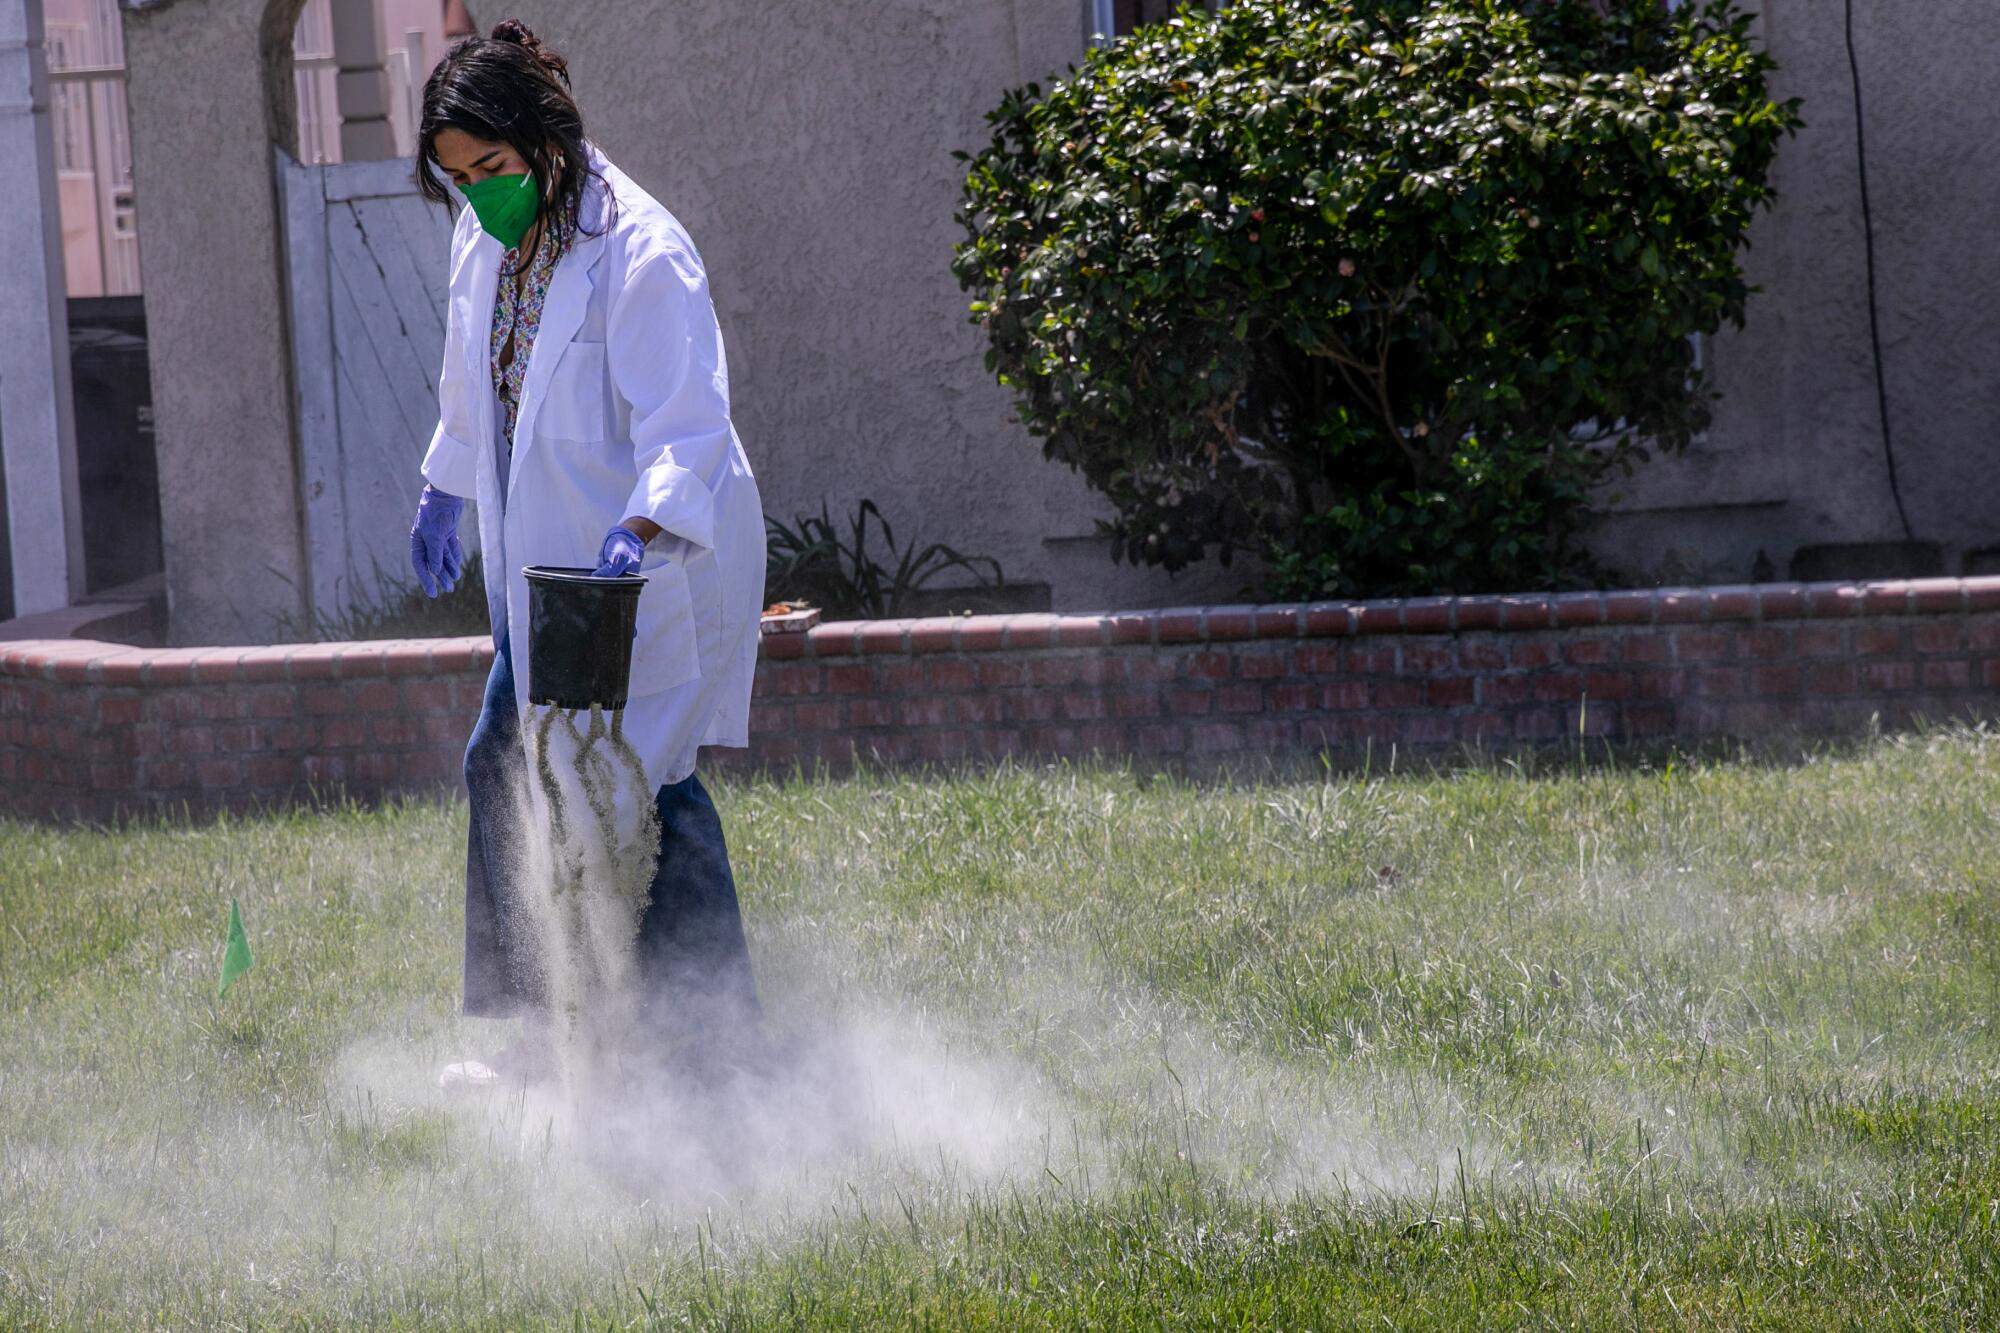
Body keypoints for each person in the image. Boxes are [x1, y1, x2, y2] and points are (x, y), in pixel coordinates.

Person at [405, 19, 765, 1086]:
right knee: (505, 760)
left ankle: (717, 1047)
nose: (477, 193)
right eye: (457, 176)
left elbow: (688, 423)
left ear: (547, 140)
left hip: (645, 567)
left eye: (493, 167)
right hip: (547, 572)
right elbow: (474, 380)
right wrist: (443, 481)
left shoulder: (641, 250)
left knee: (647, 790)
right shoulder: (485, 233)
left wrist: (640, 528)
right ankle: (540, 1034)